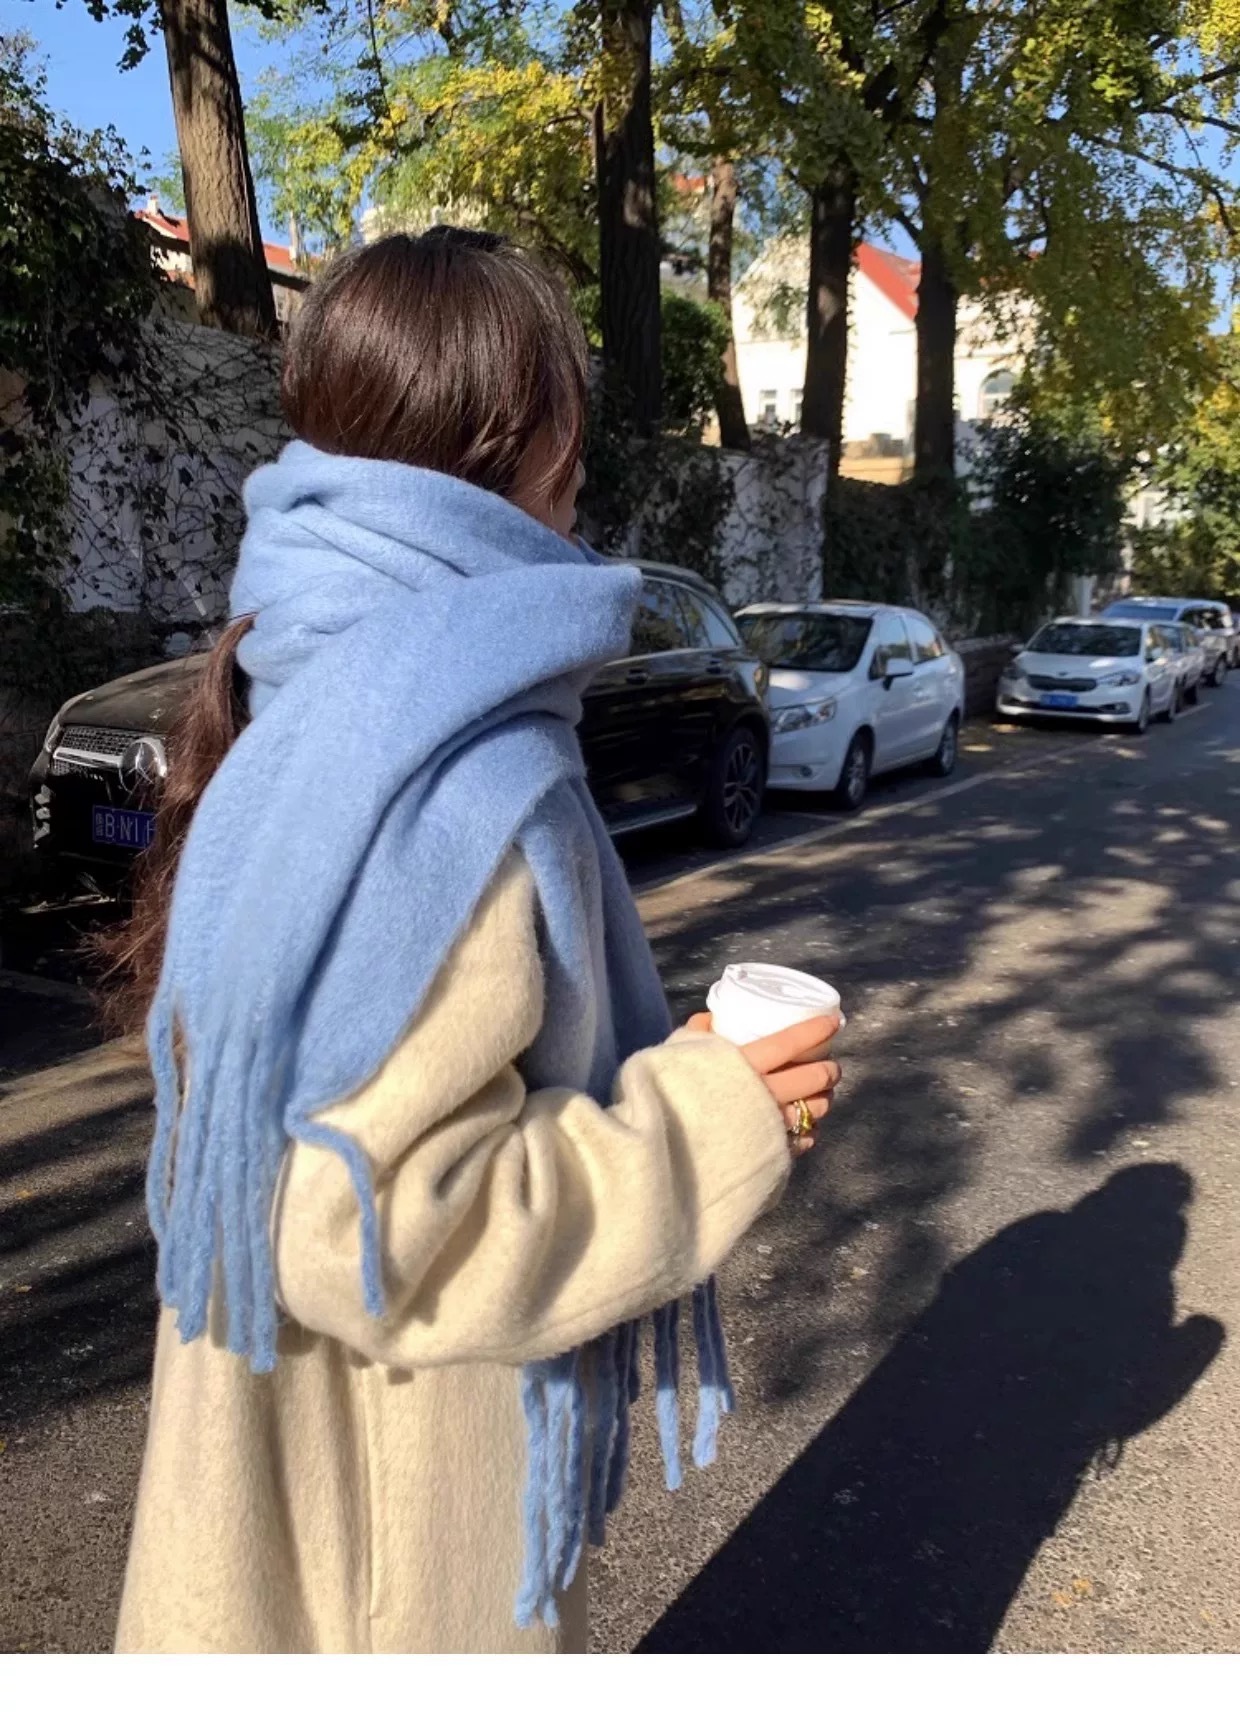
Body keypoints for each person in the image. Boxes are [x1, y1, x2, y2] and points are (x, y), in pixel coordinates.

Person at [108, 228, 841, 1655]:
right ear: (530, 438)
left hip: (279, 1505)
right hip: (384, 1573)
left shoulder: (304, 672)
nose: (583, 476)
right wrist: (710, 1113)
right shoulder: (458, 776)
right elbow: (382, 1230)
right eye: (572, 421)